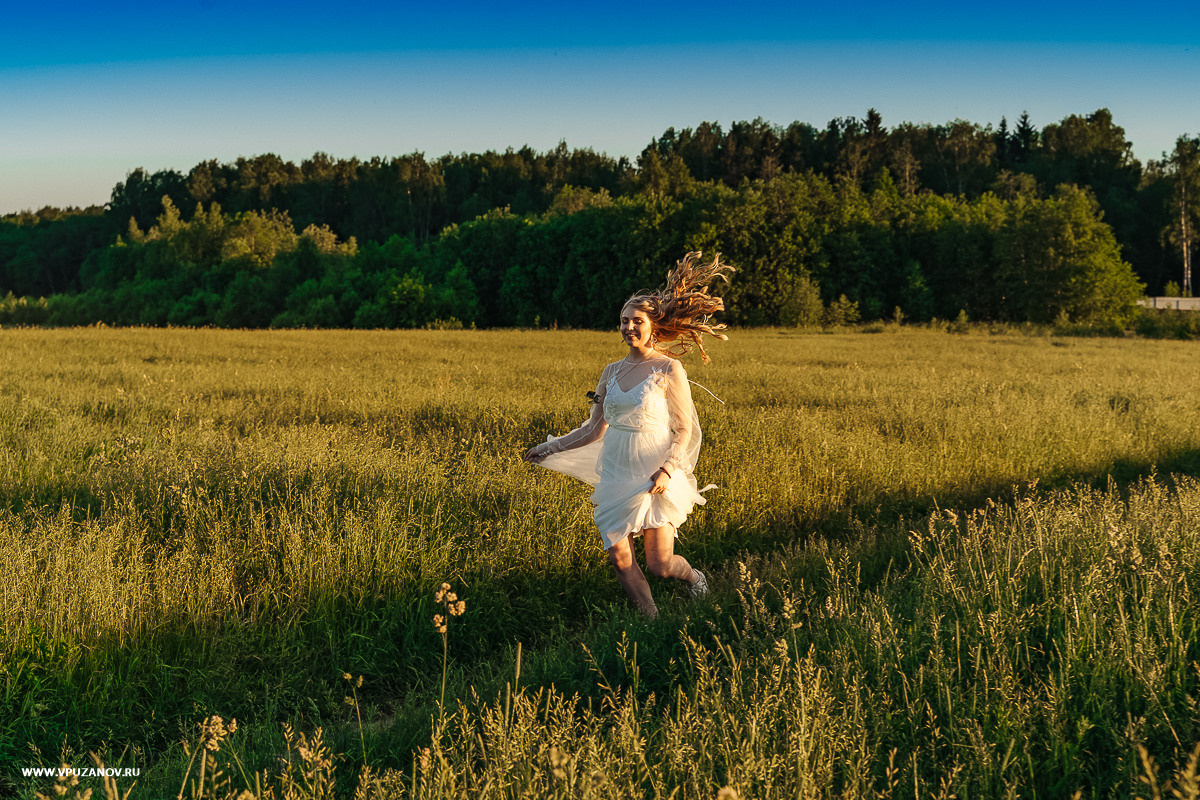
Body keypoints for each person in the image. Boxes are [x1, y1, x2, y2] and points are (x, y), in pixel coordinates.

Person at [523, 252, 732, 617]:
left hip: (655, 473)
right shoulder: (610, 371)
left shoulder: (669, 368)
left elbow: (684, 428)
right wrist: (549, 447)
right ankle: (651, 619)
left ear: (653, 326)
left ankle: (695, 577)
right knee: (620, 559)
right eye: (623, 321)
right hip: (616, 472)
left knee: (660, 564)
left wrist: (668, 469)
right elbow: (593, 428)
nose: (628, 327)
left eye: (637, 321)